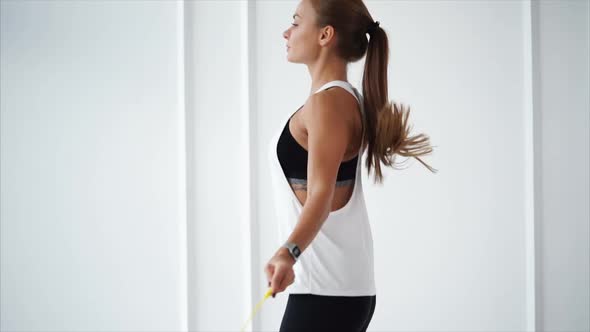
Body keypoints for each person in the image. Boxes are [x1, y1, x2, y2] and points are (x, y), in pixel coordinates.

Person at [264, 0, 437, 331]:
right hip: (335, 292)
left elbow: (320, 195)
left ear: (325, 34)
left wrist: (288, 252)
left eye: (296, 22)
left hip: (324, 294)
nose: (287, 32)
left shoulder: (327, 103)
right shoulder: (340, 99)